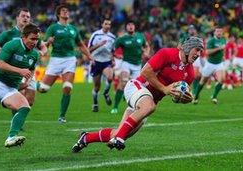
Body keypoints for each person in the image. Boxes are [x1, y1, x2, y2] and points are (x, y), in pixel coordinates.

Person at [72, 36, 204, 152]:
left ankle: (87, 138)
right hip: (137, 87)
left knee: (121, 132)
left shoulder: (190, 73)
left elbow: (177, 96)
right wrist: (164, 89)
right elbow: (145, 72)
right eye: (197, 50)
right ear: (188, 48)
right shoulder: (167, 53)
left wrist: (185, 98)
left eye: (200, 51)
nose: (199, 54)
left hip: (147, 101)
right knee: (149, 107)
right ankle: (119, 138)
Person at [37, 4, 92, 123]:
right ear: (58, 14)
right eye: (63, 11)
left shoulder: (73, 29)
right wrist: (48, 41)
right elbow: (44, 44)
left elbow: (81, 45)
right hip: (55, 60)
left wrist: (89, 56)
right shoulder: (53, 28)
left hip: (70, 59)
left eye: (67, 11)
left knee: (67, 87)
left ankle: (62, 116)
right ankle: (33, 83)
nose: (66, 12)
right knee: (43, 89)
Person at [0, 8, 47, 107]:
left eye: (28, 17)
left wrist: (41, 53)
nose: (25, 18)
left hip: (29, 68)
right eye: (23, 16)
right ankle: (15, 119)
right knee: (18, 99)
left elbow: (44, 47)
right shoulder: (9, 34)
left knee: (30, 101)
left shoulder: (33, 34)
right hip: (15, 70)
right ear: (17, 18)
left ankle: (15, 111)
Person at [111, 20, 150, 114]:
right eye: (128, 25)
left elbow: (147, 46)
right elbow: (113, 49)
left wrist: (146, 53)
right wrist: (115, 56)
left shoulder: (140, 36)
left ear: (134, 26)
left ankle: (133, 105)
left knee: (137, 86)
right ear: (126, 27)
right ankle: (115, 107)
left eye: (132, 24)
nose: (130, 26)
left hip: (137, 65)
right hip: (126, 63)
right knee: (123, 81)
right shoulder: (122, 39)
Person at [88, 17, 116, 112]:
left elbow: (112, 51)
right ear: (102, 25)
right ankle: (95, 103)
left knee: (110, 77)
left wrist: (113, 59)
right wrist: (99, 44)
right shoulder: (95, 35)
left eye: (109, 24)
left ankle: (106, 93)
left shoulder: (112, 37)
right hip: (96, 62)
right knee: (96, 86)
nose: (107, 26)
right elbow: (88, 49)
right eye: (106, 24)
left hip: (106, 62)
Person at [193, 26, 226, 104]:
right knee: (203, 81)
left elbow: (222, 50)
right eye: (217, 31)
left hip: (219, 63)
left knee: (222, 79)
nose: (219, 33)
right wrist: (219, 49)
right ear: (214, 33)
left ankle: (214, 97)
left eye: (220, 31)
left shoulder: (223, 40)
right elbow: (207, 52)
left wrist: (223, 55)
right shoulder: (211, 41)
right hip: (210, 64)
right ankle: (196, 96)